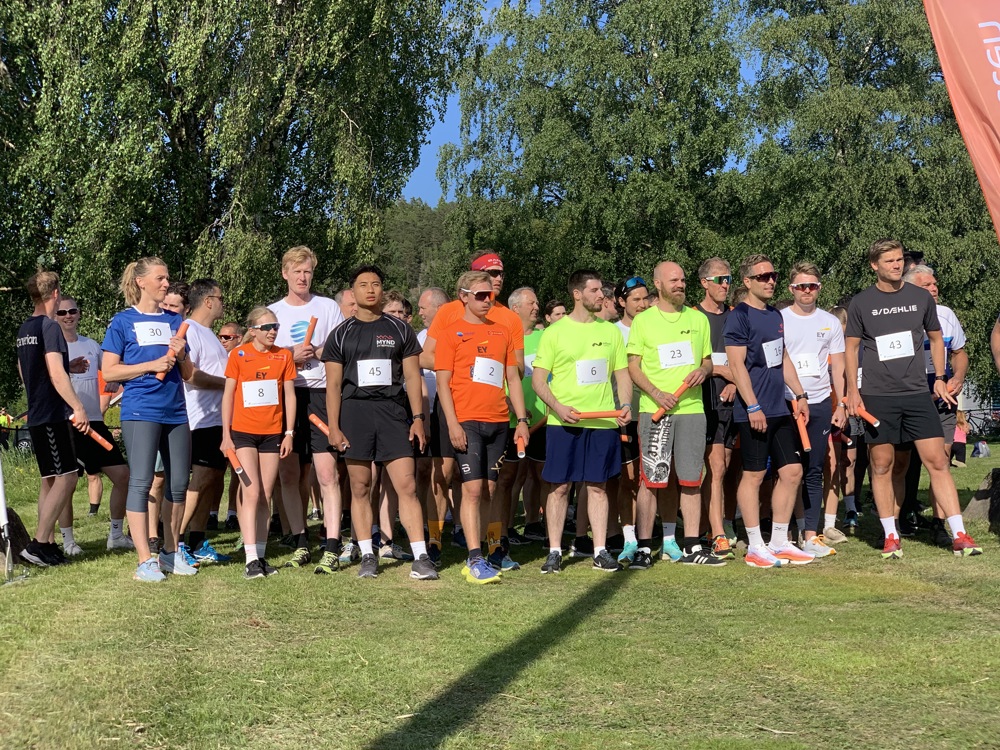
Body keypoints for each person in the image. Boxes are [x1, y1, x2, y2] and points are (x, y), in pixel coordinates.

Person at [845, 239, 981, 558]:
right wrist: (852, 390)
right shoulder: (861, 303)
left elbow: (937, 338)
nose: (896, 265)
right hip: (879, 395)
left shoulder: (920, 297)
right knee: (883, 465)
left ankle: (959, 532)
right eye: (889, 261)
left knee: (937, 461)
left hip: (918, 394)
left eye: (898, 260)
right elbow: (851, 348)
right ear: (874, 266)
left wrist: (939, 378)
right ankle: (891, 535)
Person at [320, 265, 437, 580]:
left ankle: (421, 556)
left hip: (394, 413)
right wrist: (333, 426)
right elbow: (332, 386)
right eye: (363, 285)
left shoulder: (400, 329)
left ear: (382, 291)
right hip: (355, 413)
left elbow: (413, 376)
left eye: (376, 284)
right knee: (360, 486)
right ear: (353, 293)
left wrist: (418, 418)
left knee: (407, 484)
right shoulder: (340, 334)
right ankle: (368, 555)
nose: (370, 289)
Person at [419, 252, 526, 551]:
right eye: (490, 273)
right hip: (453, 404)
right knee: (443, 473)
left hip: (491, 408)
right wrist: (458, 365)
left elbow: (516, 368)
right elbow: (427, 356)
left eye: (501, 273)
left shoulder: (508, 319)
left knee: (489, 484)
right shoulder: (450, 313)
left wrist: (489, 363)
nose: (497, 279)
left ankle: (490, 543)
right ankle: (434, 540)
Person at [102, 257, 197, 581]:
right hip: (141, 409)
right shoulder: (123, 322)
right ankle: (146, 560)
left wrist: (181, 353)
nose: (166, 283)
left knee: (179, 483)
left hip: (176, 411)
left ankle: (171, 552)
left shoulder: (175, 320)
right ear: (141, 282)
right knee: (141, 482)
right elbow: (110, 371)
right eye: (160, 277)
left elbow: (188, 373)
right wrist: (150, 364)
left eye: (167, 277)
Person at [532, 269, 632, 574]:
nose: (601, 295)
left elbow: (622, 374)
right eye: (594, 290)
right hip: (564, 423)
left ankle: (600, 550)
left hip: (602, 423)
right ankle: (554, 551)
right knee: (559, 487)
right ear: (577, 294)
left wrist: (625, 404)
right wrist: (559, 408)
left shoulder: (611, 331)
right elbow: (538, 381)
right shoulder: (555, 332)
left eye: (601, 290)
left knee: (598, 487)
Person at [435, 272, 531, 583]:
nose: (487, 300)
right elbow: (442, 383)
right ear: (463, 296)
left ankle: (493, 551)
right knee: (472, 489)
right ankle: (474, 558)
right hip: (466, 421)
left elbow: (513, 379)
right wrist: (452, 424)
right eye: (480, 295)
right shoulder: (451, 333)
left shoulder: (503, 331)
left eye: (490, 295)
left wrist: (522, 420)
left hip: (499, 421)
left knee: (491, 488)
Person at [627, 262, 723, 568]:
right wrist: (656, 395)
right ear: (658, 284)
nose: (680, 284)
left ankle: (692, 546)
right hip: (655, 412)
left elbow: (708, 361)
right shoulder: (644, 322)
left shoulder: (698, 320)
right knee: (652, 481)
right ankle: (644, 547)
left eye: (682, 279)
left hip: (692, 411)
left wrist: (703, 370)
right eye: (674, 280)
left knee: (691, 479)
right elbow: (633, 366)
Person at [724, 254, 815, 568]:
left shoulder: (776, 314)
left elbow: (783, 356)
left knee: (792, 472)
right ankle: (754, 546)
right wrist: (752, 406)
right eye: (762, 277)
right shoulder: (739, 316)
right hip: (754, 410)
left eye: (772, 275)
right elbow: (736, 365)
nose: (770, 281)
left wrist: (799, 393)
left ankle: (779, 542)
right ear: (747, 281)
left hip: (779, 408)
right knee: (754, 474)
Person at [268, 246, 346, 568]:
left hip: (321, 393)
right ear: (285, 273)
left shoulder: (327, 306)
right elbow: (262, 350)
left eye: (308, 272)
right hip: (287, 396)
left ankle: (332, 544)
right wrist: (289, 355)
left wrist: (318, 350)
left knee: (327, 474)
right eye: (297, 271)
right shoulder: (273, 313)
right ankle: (299, 540)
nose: (302, 277)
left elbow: (342, 344)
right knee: (289, 474)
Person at [16, 271, 91, 567]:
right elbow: (54, 373)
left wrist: (65, 365)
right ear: (56, 293)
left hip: (36, 412)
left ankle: (45, 544)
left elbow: (28, 372)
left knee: (50, 479)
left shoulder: (25, 328)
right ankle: (37, 544)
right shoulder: (50, 326)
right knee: (68, 475)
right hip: (52, 413)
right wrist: (78, 407)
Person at [220, 307, 297, 578]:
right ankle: (250, 558)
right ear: (252, 330)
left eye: (275, 326)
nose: (272, 331)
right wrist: (226, 435)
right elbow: (228, 395)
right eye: (266, 327)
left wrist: (289, 432)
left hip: (272, 434)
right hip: (242, 432)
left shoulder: (284, 356)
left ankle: (261, 557)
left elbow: (289, 395)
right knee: (251, 492)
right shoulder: (238, 355)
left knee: (265, 493)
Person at [55, 295, 133, 553]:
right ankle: (67, 541)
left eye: (72, 311)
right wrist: (67, 368)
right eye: (62, 312)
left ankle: (116, 535)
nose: (68, 316)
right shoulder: (52, 348)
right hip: (67, 423)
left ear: (79, 314)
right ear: (55, 317)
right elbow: (44, 378)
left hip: (95, 422)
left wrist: (114, 381)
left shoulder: (92, 345)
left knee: (122, 475)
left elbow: (111, 370)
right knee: (67, 482)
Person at [780, 262, 846, 557]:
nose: (807, 291)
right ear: (791, 289)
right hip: (784, 402)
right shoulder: (778, 319)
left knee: (814, 469)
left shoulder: (829, 322)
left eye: (813, 286)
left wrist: (841, 403)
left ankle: (811, 535)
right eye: (801, 286)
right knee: (785, 470)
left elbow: (839, 367)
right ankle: (782, 533)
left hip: (819, 402)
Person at [900, 264, 968, 547]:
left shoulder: (947, 315)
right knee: (900, 463)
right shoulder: (899, 317)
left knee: (941, 460)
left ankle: (940, 525)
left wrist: (959, 378)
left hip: (943, 401)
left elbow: (960, 353)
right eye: (927, 285)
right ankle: (896, 521)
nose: (934, 288)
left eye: (935, 284)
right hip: (909, 399)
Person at [177, 279, 232, 565]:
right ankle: (174, 543)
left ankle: (197, 541)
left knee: (211, 480)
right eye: (221, 297)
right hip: (199, 419)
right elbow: (191, 375)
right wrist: (228, 384)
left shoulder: (208, 333)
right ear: (208, 300)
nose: (224, 303)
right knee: (199, 482)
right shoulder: (190, 330)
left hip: (217, 418)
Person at [488, 285, 540, 570]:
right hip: (493, 416)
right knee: (494, 483)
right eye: (531, 303)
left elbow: (519, 372)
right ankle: (486, 541)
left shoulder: (522, 333)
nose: (536, 307)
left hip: (525, 420)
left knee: (508, 481)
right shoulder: (492, 324)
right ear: (515, 307)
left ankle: (500, 540)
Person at [695, 258, 739, 558]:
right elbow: (688, 362)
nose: (726, 284)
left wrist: (734, 382)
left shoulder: (735, 317)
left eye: (728, 278)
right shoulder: (692, 318)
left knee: (724, 466)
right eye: (720, 279)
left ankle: (719, 524)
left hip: (731, 401)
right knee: (712, 466)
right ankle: (713, 530)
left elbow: (742, 360)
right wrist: (720, 372)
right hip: (698, 402)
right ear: (704, 283)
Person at [610, 275, 650, 563]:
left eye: (645, 298)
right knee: (628, 478)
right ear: (622, 302)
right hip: (622, 415)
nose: (641, 304)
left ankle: (649, 531)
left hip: (653, 412)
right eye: (635, 299)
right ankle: (627, 536)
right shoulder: (613, 332)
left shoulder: (656, 327)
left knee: (650, 477)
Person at [416, 287, 449, 562]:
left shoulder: (462, 326)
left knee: (469, 481)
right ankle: (434, 537)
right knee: (437, 476)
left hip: (468, 410)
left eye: (423, 308)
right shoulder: (420, 339)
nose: (419, 313)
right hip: (433, 413)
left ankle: (464, 529)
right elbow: (421, 361)